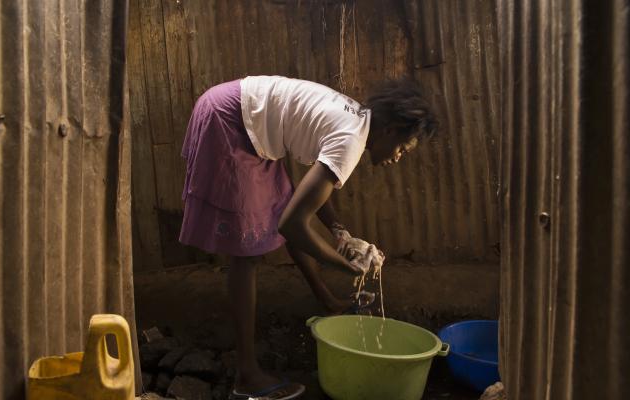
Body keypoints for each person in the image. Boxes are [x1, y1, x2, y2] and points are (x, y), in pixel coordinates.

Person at [179, 75, 438, 400]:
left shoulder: (355, 118)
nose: (398, 157)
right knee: (246, 254)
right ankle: (246, 375)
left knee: (282, 201)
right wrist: (344, 265)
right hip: (230, 122)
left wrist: (339, 231)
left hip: (241, 116)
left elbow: (307, 194)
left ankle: (327, 300)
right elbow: (293, 226)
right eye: (401, 148)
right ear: (388, 131)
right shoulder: (351, 140)